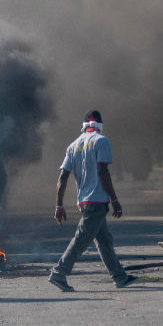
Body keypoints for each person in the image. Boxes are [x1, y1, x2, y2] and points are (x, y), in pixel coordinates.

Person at [48, 110, 139, 291]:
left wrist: (59, 205)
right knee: (81, 239)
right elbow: (103, 172)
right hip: (97, 202)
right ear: (100, 125)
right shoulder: (101, 141)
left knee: (105, 241)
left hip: (84, 202)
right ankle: (59, 273)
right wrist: (114, 199)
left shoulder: (73, 146)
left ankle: (120, 277)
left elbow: (62, 179)